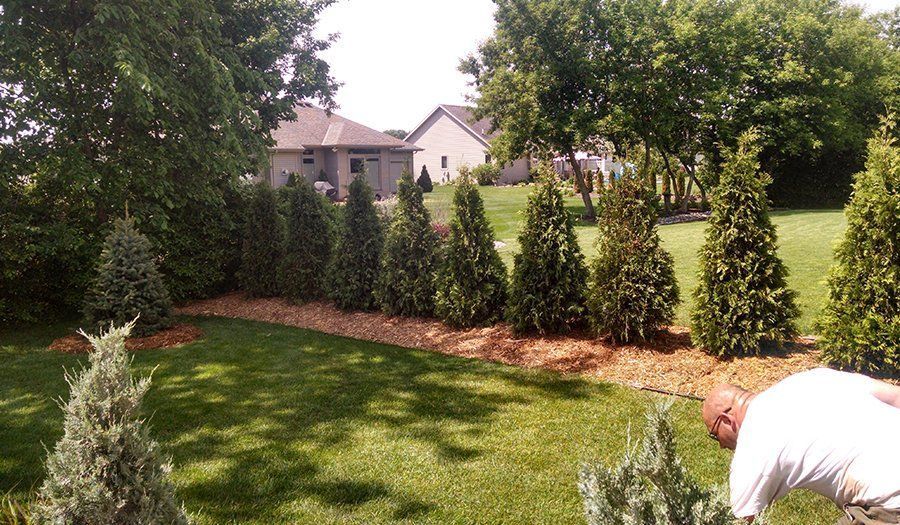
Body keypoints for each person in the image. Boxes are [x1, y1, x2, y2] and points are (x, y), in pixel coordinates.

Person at [702, 368, 900, 524]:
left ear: (727, 420)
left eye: (714, 434)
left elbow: (738, 519)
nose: (720, 445)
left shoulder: (752, 444)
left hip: (890, 501)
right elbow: (896, 396)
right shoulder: (809, 378)